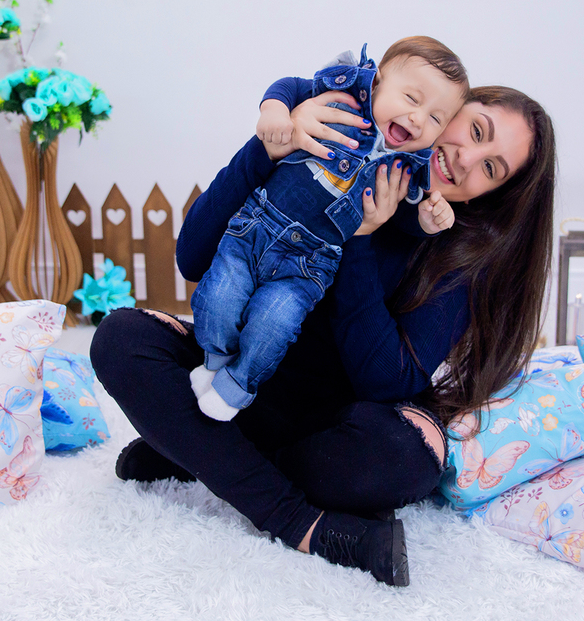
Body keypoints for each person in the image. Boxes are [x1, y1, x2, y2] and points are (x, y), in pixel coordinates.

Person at [90, 53, 557, 587]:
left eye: (492, 168)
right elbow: (194, 257)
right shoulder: (339, 132)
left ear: (491, 194)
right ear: (447, 105)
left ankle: (199, 450)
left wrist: (358, 239)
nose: (466, 159)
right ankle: (298, 521)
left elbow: (387, 381)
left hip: (327, 427)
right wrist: (271, 145)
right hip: (242, 373)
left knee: (405, 457)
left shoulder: (459, 252)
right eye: (473, 129)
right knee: (119, 339)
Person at [189, 39, 467, 422]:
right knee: (220, 297)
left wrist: (425, 221)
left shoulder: (406, 169)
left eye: (436, 119)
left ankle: (237, 385)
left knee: (274, 323)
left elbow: (402, 216)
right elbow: (290, 86)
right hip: (257, 225)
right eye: (411, 98)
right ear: (377, 82)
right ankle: (215, 360)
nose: (418, 119)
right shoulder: (342, 96)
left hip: (308, 264)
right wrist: (275, 115)